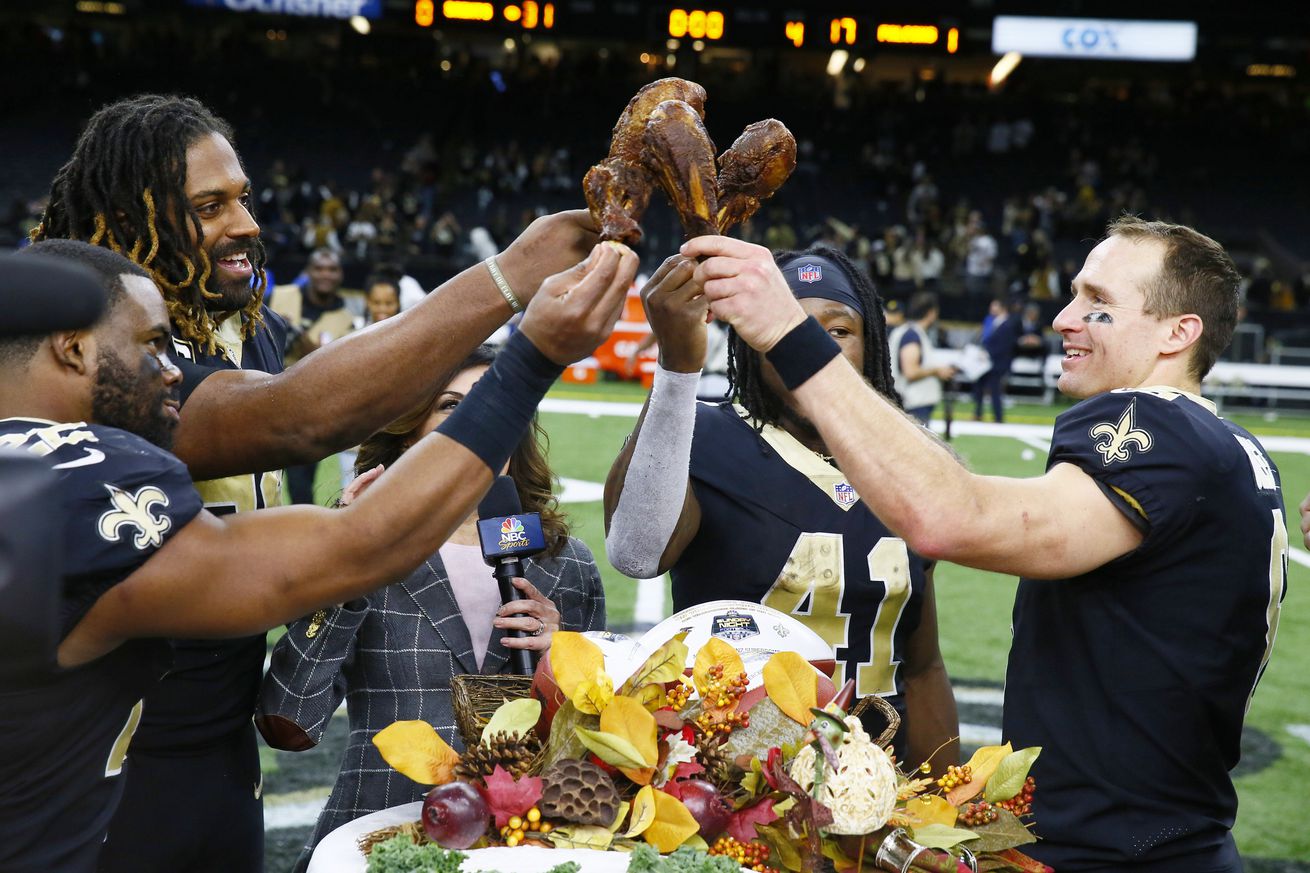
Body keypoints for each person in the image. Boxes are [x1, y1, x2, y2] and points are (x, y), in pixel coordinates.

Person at [31, 93, 599, 871]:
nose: (248, 224)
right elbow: (299, 419)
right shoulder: (109, 372)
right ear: (134, 218)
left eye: (244, 198)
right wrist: (511, 283)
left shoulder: (250, 330)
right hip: (106, 757)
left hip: (222, 744)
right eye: (210, 205)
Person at [683, 217, 1288, 872]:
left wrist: (788, 334)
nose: (1065, 317)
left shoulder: (1158, 428)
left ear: (1179, 332)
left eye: (1099, 303)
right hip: (1178, 837)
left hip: (1111, 852)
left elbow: (952, 515)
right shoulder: (1241, 450)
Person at [603, 245, 959, 771]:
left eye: (837, 331)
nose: (811, 349)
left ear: (870, 344)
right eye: (786, 328)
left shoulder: (907, 458)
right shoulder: (705, 434)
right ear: (750, 343)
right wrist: (676, 369)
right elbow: (635, 554)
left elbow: (922, 665)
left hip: (879, 793)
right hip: (732, 788)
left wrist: (945, 793)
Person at [257, 345, 606, 871]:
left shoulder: (566, 567)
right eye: (451, 405)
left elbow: (602, 742)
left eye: (499, 402)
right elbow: (288, 720)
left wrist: (567, 659)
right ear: (411, 430)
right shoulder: (360, 552)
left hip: (530, 847)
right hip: (379, 836)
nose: (481, 420)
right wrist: (352, 558)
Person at [270, 247, 359, 503]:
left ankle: (301, 532)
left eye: (332, 269)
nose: (325, 275)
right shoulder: (281, 296)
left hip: (307, 408)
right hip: (264, 391)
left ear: (340, 275)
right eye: (319, 268)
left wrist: (299, 337)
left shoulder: (346, 320)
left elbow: (335, 368)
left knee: (301, 482)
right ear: (308, 271)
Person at [889, 291, 956, 425]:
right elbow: (911, 372)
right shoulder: (912, 335)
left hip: (908, 401)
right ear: (931, 313)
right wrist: (937, 371)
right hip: (914, 402)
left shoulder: (906, 331)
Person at [972, 296, 1022, 422]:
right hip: (987, 362)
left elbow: (1006, 346)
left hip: (998, 362)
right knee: (979, 385)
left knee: (995, 390)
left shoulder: (1008, 324)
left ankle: (998, 417)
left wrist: (988, 353)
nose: (991, 308)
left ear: (1002, 308)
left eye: (994, 306)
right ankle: (978, 414)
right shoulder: (992, 322)